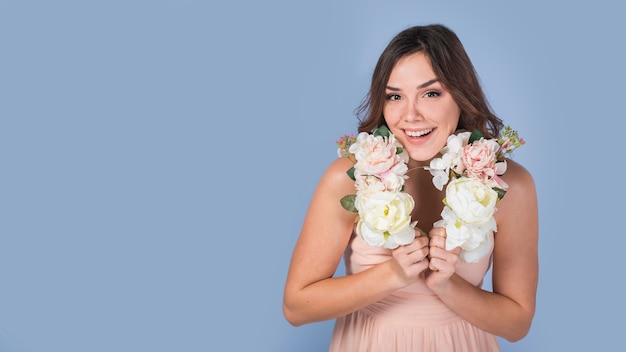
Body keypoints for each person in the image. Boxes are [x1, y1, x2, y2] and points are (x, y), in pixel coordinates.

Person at [282, 24, 538, 351]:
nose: (411, 115)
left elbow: (517, 324)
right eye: (395, 96)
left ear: (461, 95)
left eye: (431, 93)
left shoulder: (509, 184)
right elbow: (295, 306)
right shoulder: (349, 177)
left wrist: (448, 287)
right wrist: (392, 275)